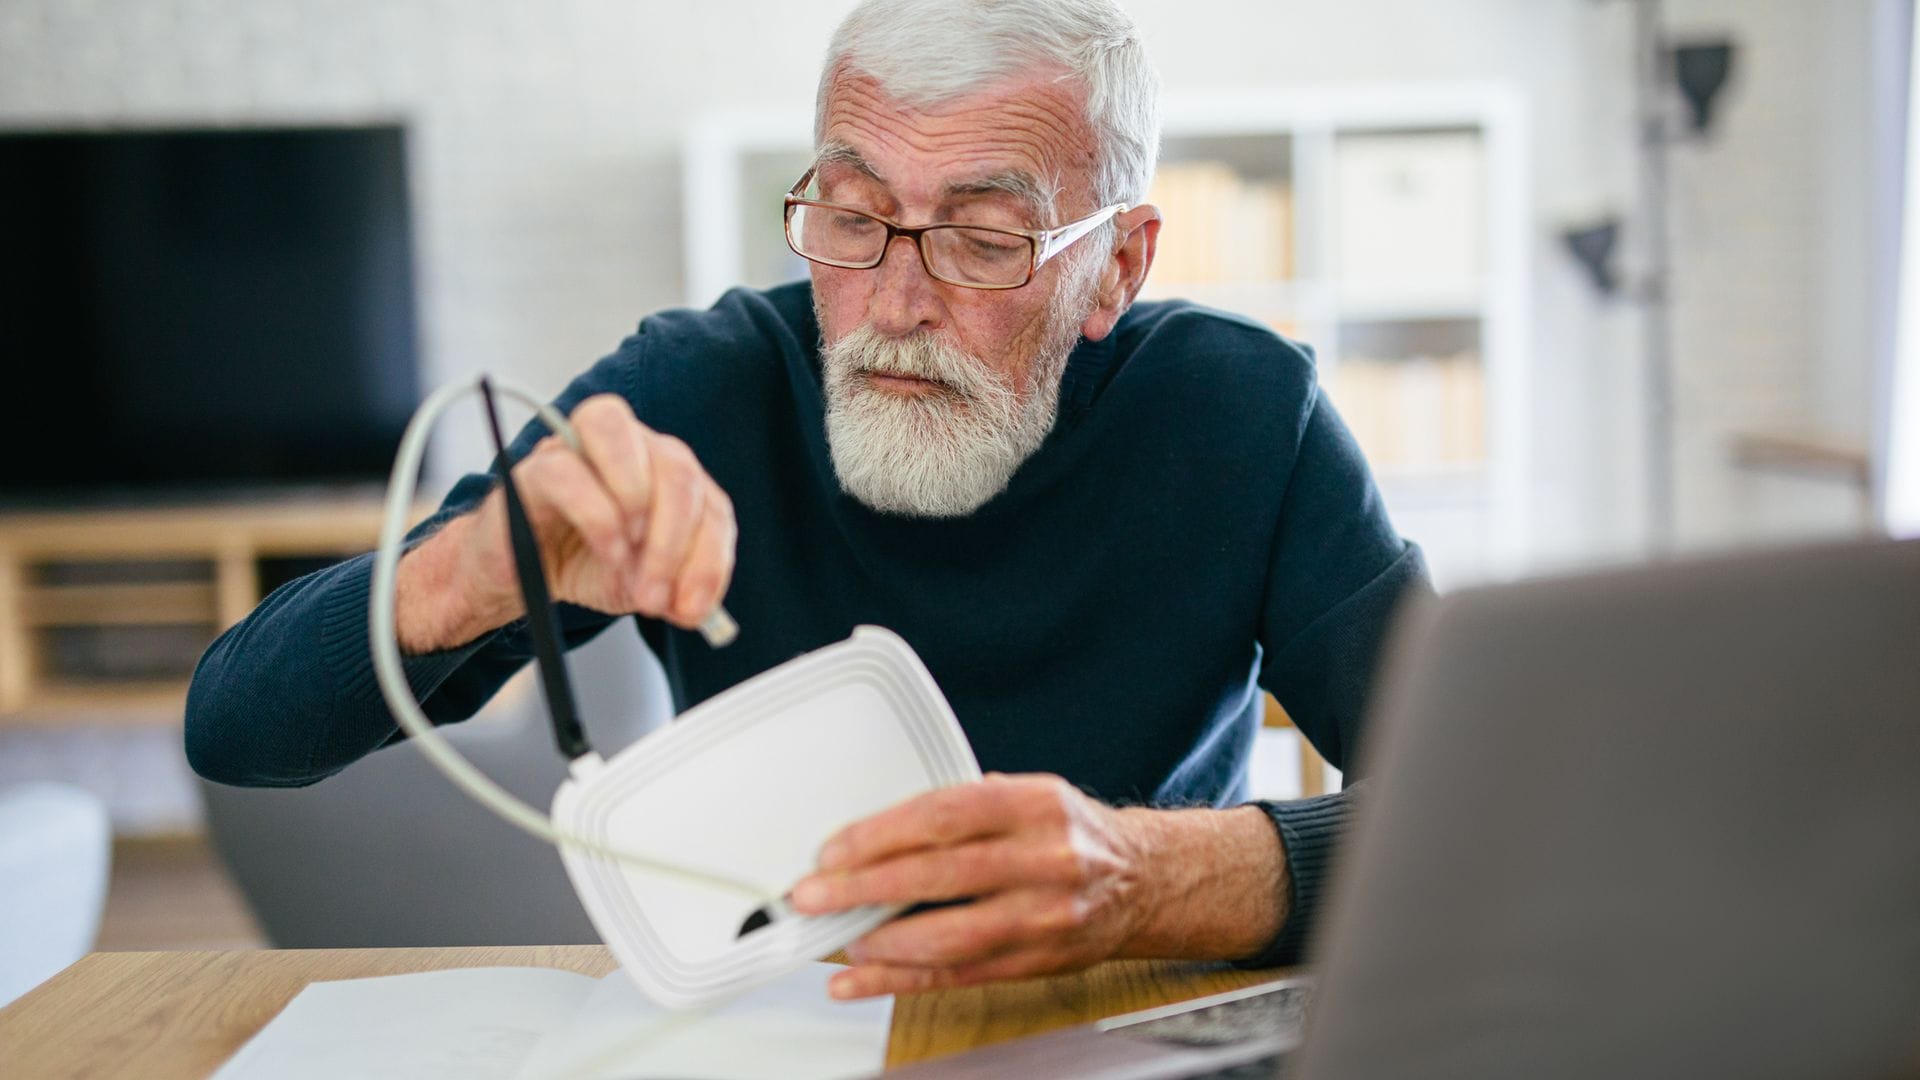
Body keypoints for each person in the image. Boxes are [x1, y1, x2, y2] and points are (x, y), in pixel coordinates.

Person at [186, 0, 1429, 1001]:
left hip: (1135, 1013)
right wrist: (463, 575)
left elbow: (1484, 812)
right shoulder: (701, 387)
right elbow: (236, 734)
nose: (894, 305)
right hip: (786, 1017)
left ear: (1117, 265)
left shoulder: (1245, 414)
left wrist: (1155, 881)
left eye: (985, 239)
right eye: (852, 217)